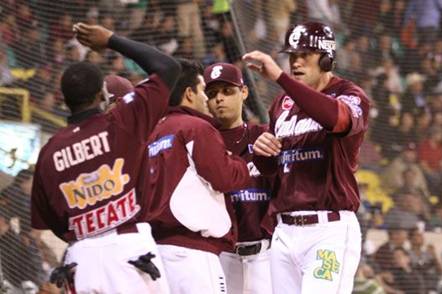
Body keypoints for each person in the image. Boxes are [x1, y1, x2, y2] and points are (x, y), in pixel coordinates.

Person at [30, 23, 180, 293]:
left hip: (81, 256)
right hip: (128, 248)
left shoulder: (49, 151)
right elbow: (169, 67)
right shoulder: (121, 121)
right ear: (102, 93)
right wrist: (111, 40)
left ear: (65, 100)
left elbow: (48, 220)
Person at [243, 21, 370, 293]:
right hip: (285, 231)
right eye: (291, 56)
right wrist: (264, 152)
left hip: (328, 231)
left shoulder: (350, 95)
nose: (295, 63)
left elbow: (336, 119)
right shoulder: (282, 104)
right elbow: (274, 168)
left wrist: (280, 78)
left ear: (326, 58)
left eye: (304, 55)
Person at [144, 59, 252, 294]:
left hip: (158, 253)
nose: (208, 99)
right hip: (193, 256)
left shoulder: (152, 134)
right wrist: (240, 163)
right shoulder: (196, 127)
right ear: (189, 93)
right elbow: (224, 177)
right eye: (204, 90)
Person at [204, 62, 274, 294]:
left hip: (265, 255)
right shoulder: (202, 141)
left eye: (227, 91)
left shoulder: (264, 136)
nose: (219, 99)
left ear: (243, 92)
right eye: (212, 94)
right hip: (221, 255)